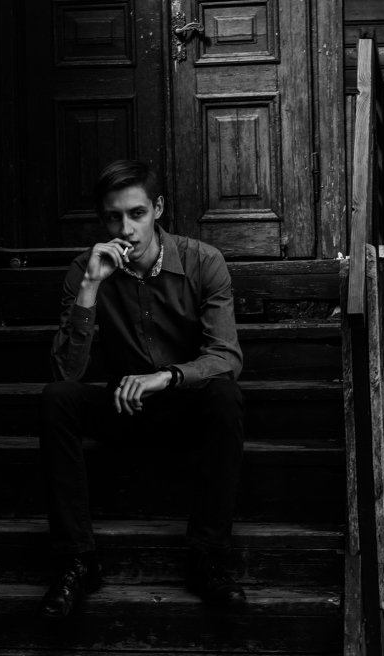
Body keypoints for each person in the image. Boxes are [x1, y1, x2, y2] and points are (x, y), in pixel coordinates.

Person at [38, 159, 246, 620]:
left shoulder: (203, 261)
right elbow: (66, 373)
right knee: (57, 400)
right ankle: (78, 561)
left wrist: (167, 376)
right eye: (114, 217)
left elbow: (226, 357)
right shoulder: (85, 269)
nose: (126, 229)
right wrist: (90, 287)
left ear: (158, 209)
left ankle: (209, 558)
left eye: (136, 214)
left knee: (225, 395)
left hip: (185, 408)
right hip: (124, 410)